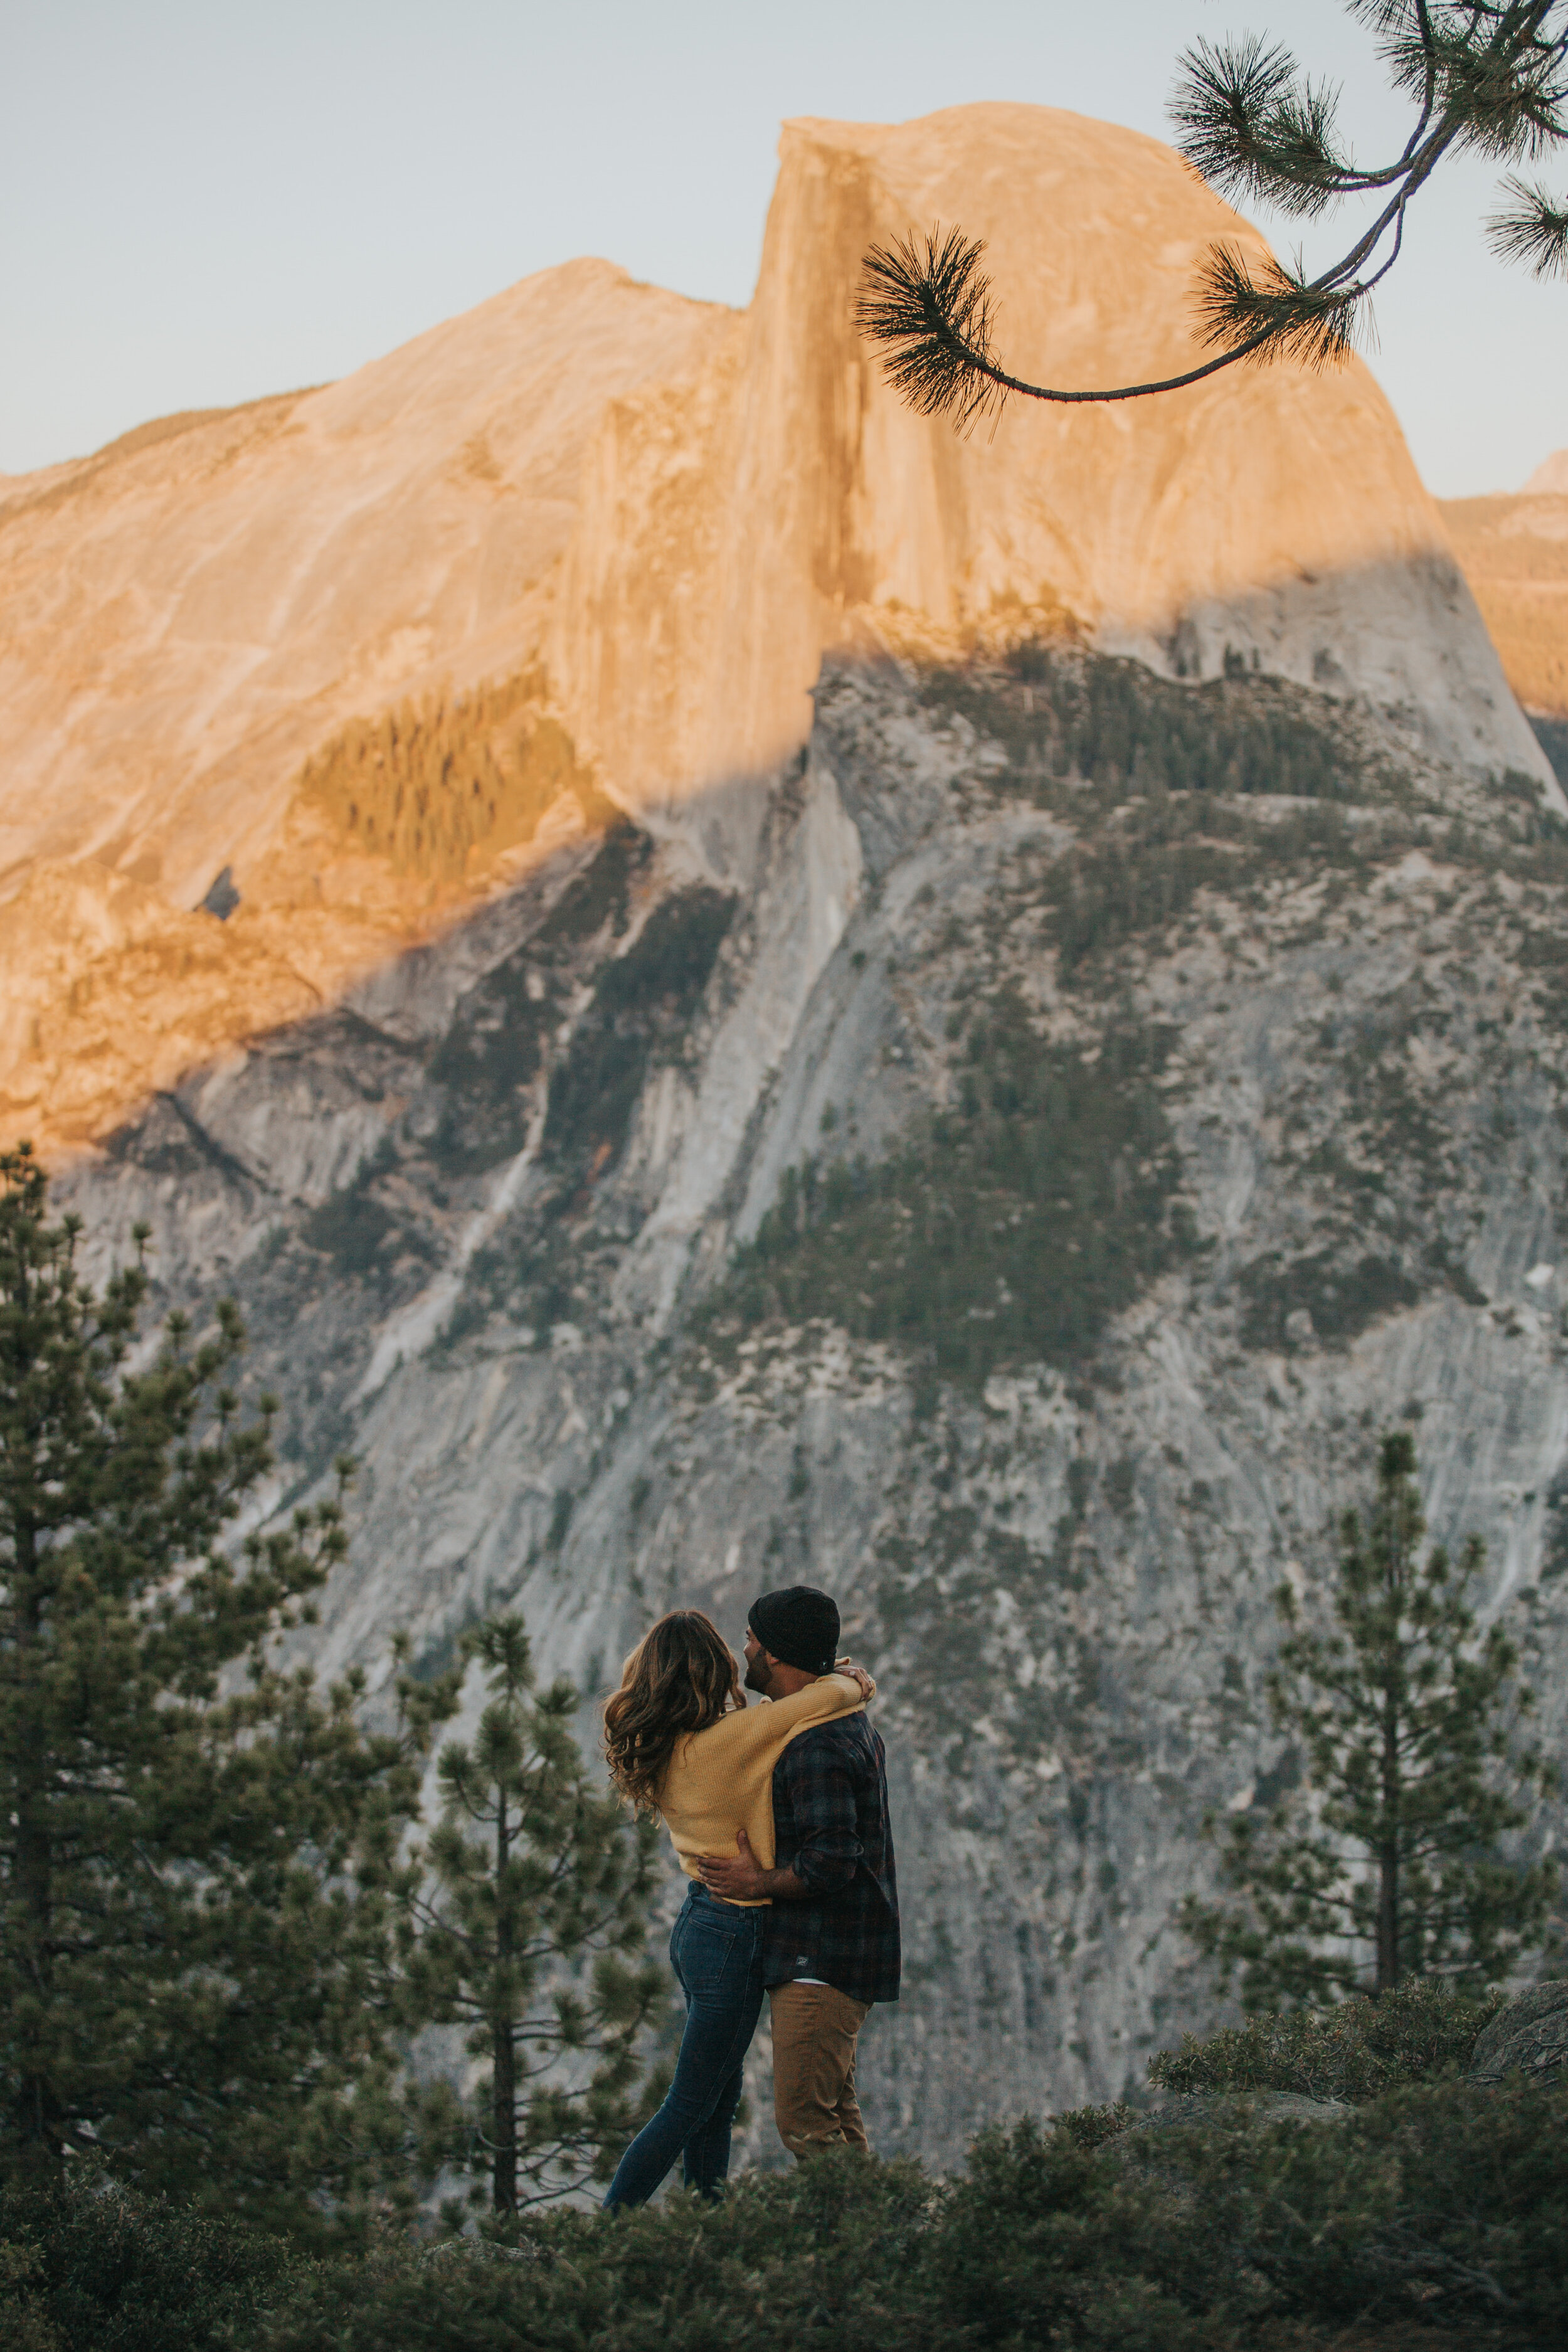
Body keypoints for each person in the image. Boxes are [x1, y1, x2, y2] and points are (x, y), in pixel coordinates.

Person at [599, 1608, 872, 2208]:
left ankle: (709, 2223)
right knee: (691, 2104)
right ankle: (609, 2229)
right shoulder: (729, 1741)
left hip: (700, 1925)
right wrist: (852, 1679)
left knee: (715, 2103)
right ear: (709, 1673)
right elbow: (827, 1699)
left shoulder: (675, 1746)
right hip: (733, 1932)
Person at [699, 1584, 899, 2160]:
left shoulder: (816, 1745)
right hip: (841, 1954)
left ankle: (854, 2243)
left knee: (805, 2121)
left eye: (751, 1640)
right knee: (835, 2112)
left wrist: (755, 1883)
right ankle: (882, 2239)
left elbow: (831, 1860)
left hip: (822, 1959)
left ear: (777, 1655)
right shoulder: (835, 1717)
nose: (745, 1651)